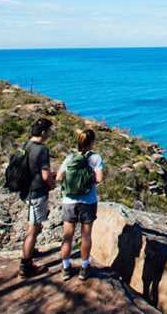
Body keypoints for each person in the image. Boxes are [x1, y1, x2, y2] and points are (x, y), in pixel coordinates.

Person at [56, 128, 105, 281]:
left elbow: (58, 177)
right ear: (92, 142)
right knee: (86, 236)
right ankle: (84, 268)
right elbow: (99, 179)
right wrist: (87, 180)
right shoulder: (96, 158)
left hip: (69, 201)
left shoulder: (70, 157)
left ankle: (66, 268)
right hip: (88, 201)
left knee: (67, 236)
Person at [20, 117, 55, 278]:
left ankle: (30, 250)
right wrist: (52, 184)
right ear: (43, 132)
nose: (50, 133)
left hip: (27, 190)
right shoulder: (42, 150)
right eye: (49, 131)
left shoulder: (26, 145)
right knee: (34, 228)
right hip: (37, 192)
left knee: (33, 224)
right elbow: (45, 174)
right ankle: (26, 265)